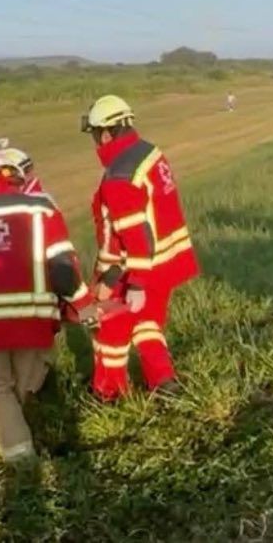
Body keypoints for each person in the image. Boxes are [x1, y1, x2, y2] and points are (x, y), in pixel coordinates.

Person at [0, 156, 93, 464]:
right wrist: (84, 305)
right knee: (25, 384)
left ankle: (19, 457)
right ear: (20, 181)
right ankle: (21, 437)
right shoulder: (42, 211)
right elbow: (62, 270)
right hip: (34, 320)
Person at [81, 95, 200, 401]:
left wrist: (131, 282)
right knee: (147, 323)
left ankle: (110, 394)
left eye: (95, 135)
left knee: (110, 332)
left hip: (135, 268)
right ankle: (164, 382)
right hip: (167, 262)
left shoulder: (119, 177)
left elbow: (135, 234)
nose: (96, 143)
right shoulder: (149, 153)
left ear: (106, 133)